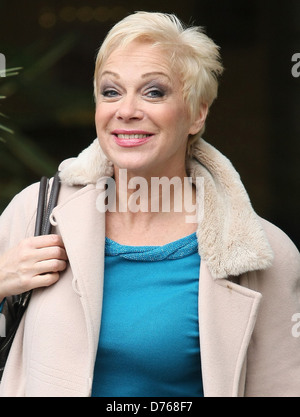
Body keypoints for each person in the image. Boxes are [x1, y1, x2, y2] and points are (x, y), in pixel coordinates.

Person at [0, 11, 299, 397]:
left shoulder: (265, 253)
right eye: (111, 91)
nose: (126, 110)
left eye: (153, 92)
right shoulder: (35, 214)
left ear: (197, 113)